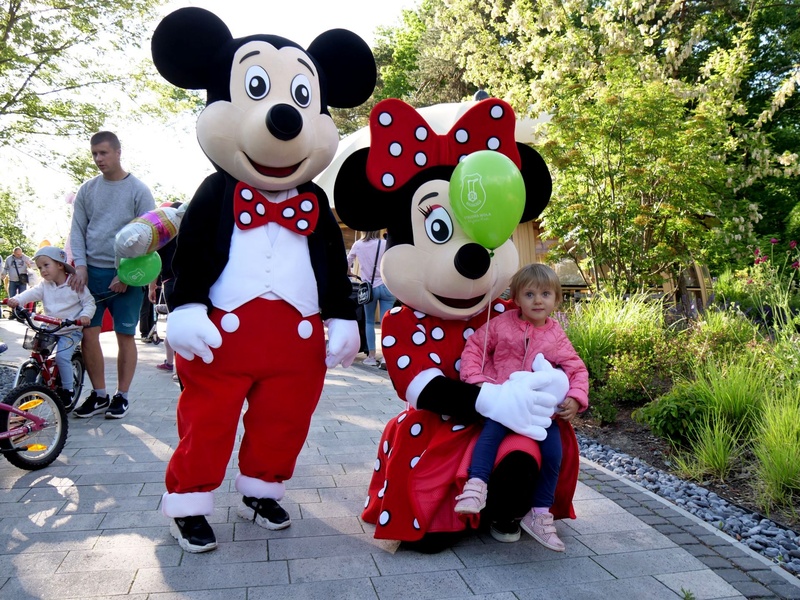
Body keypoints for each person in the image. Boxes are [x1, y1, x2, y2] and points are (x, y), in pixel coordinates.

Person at [457, 263, 589, 551]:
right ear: (516, 298)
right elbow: (475, 347)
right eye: (529, 294)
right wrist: (477, 380)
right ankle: (476, 486)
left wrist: (576, 397)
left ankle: (539, 513)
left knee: (554, 453)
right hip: (505, 401)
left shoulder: (556, 335)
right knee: (490, 435)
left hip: (540, 411)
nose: (537, 301)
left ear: (556, 299)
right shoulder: (501, 324)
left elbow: (576, 368)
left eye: (545, 294)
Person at [69, 130, 156, 419]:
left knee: (125, 335)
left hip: (127, 276)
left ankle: (122, 396)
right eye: (94, 153)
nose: (98, 159)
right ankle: (99, 395)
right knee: (88, 334)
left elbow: (149, 237)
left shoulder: (139, 190)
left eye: (103, 153)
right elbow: (77, 230)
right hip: (92, 274)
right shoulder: (87, 190)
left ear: (118, 152)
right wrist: (81, 266)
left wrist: (127, 275)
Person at [6, 246, 96, 409]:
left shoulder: (74, 283)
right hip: (50, 327)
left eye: (46, 265)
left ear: (60, 265)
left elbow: (89, 302)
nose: (43, 270)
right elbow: (30, 294)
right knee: (37, 351)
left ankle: (68, 390)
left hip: (70, 330)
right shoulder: (44, 285)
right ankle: (37, 379)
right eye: (40, 267)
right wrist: (16, 300)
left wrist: (85, 316)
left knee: (62, 357)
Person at [346, 230, 395, 367]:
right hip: (386, 287)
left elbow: (346, 264)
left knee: (369, 322)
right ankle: (386, 357)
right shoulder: (385, 243)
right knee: (386, 323)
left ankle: (371, 357)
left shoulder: (358, 245)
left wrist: (350, 273)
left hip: (369, 289)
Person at [147, 202, 182, 374]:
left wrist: (151, 287)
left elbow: (155, 263)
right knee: (181, 324)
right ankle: (174, 365)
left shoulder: (165, 234)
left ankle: (174, 366)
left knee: (174, 324)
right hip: (188, 281)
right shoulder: (194, 230)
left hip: (170, 282)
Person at [3, 247, 35, 313]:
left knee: (22, 297)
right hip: (12, 280)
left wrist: (29, 265)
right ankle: (13, 312)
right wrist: (3, 274)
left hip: (22, 281)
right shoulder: (9, 259)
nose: (20, 255)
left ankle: (21, 313)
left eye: (20, 254)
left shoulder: (25, 258)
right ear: (14, 253)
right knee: (12, 297)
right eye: (18, 254)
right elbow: (5, 268)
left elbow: (34, 265)